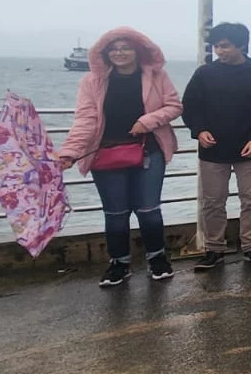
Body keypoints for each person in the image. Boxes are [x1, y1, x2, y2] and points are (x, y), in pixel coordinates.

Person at [57, 27, 183, 286]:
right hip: (106, 155)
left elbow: (174, 106)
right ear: (104, 53)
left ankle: (158, 259)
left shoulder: (157, 76)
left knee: (149, 210)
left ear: (138, 51)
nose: (119, 53)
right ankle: (119, 264)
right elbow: (86, 119)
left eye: (125, 48)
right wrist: (70, 152)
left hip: (149, 152)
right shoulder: (91, 82)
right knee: (115, 213)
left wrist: (147, 121)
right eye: (113, 49)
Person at [182, 22, 251, 270]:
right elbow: (190, 106)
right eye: (216, 46)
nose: (219, 51)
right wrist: (199, 130)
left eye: (225, 46)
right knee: (213, 202)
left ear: (241, 45)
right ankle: (214, 249)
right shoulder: (204, 74)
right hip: (213, 150)